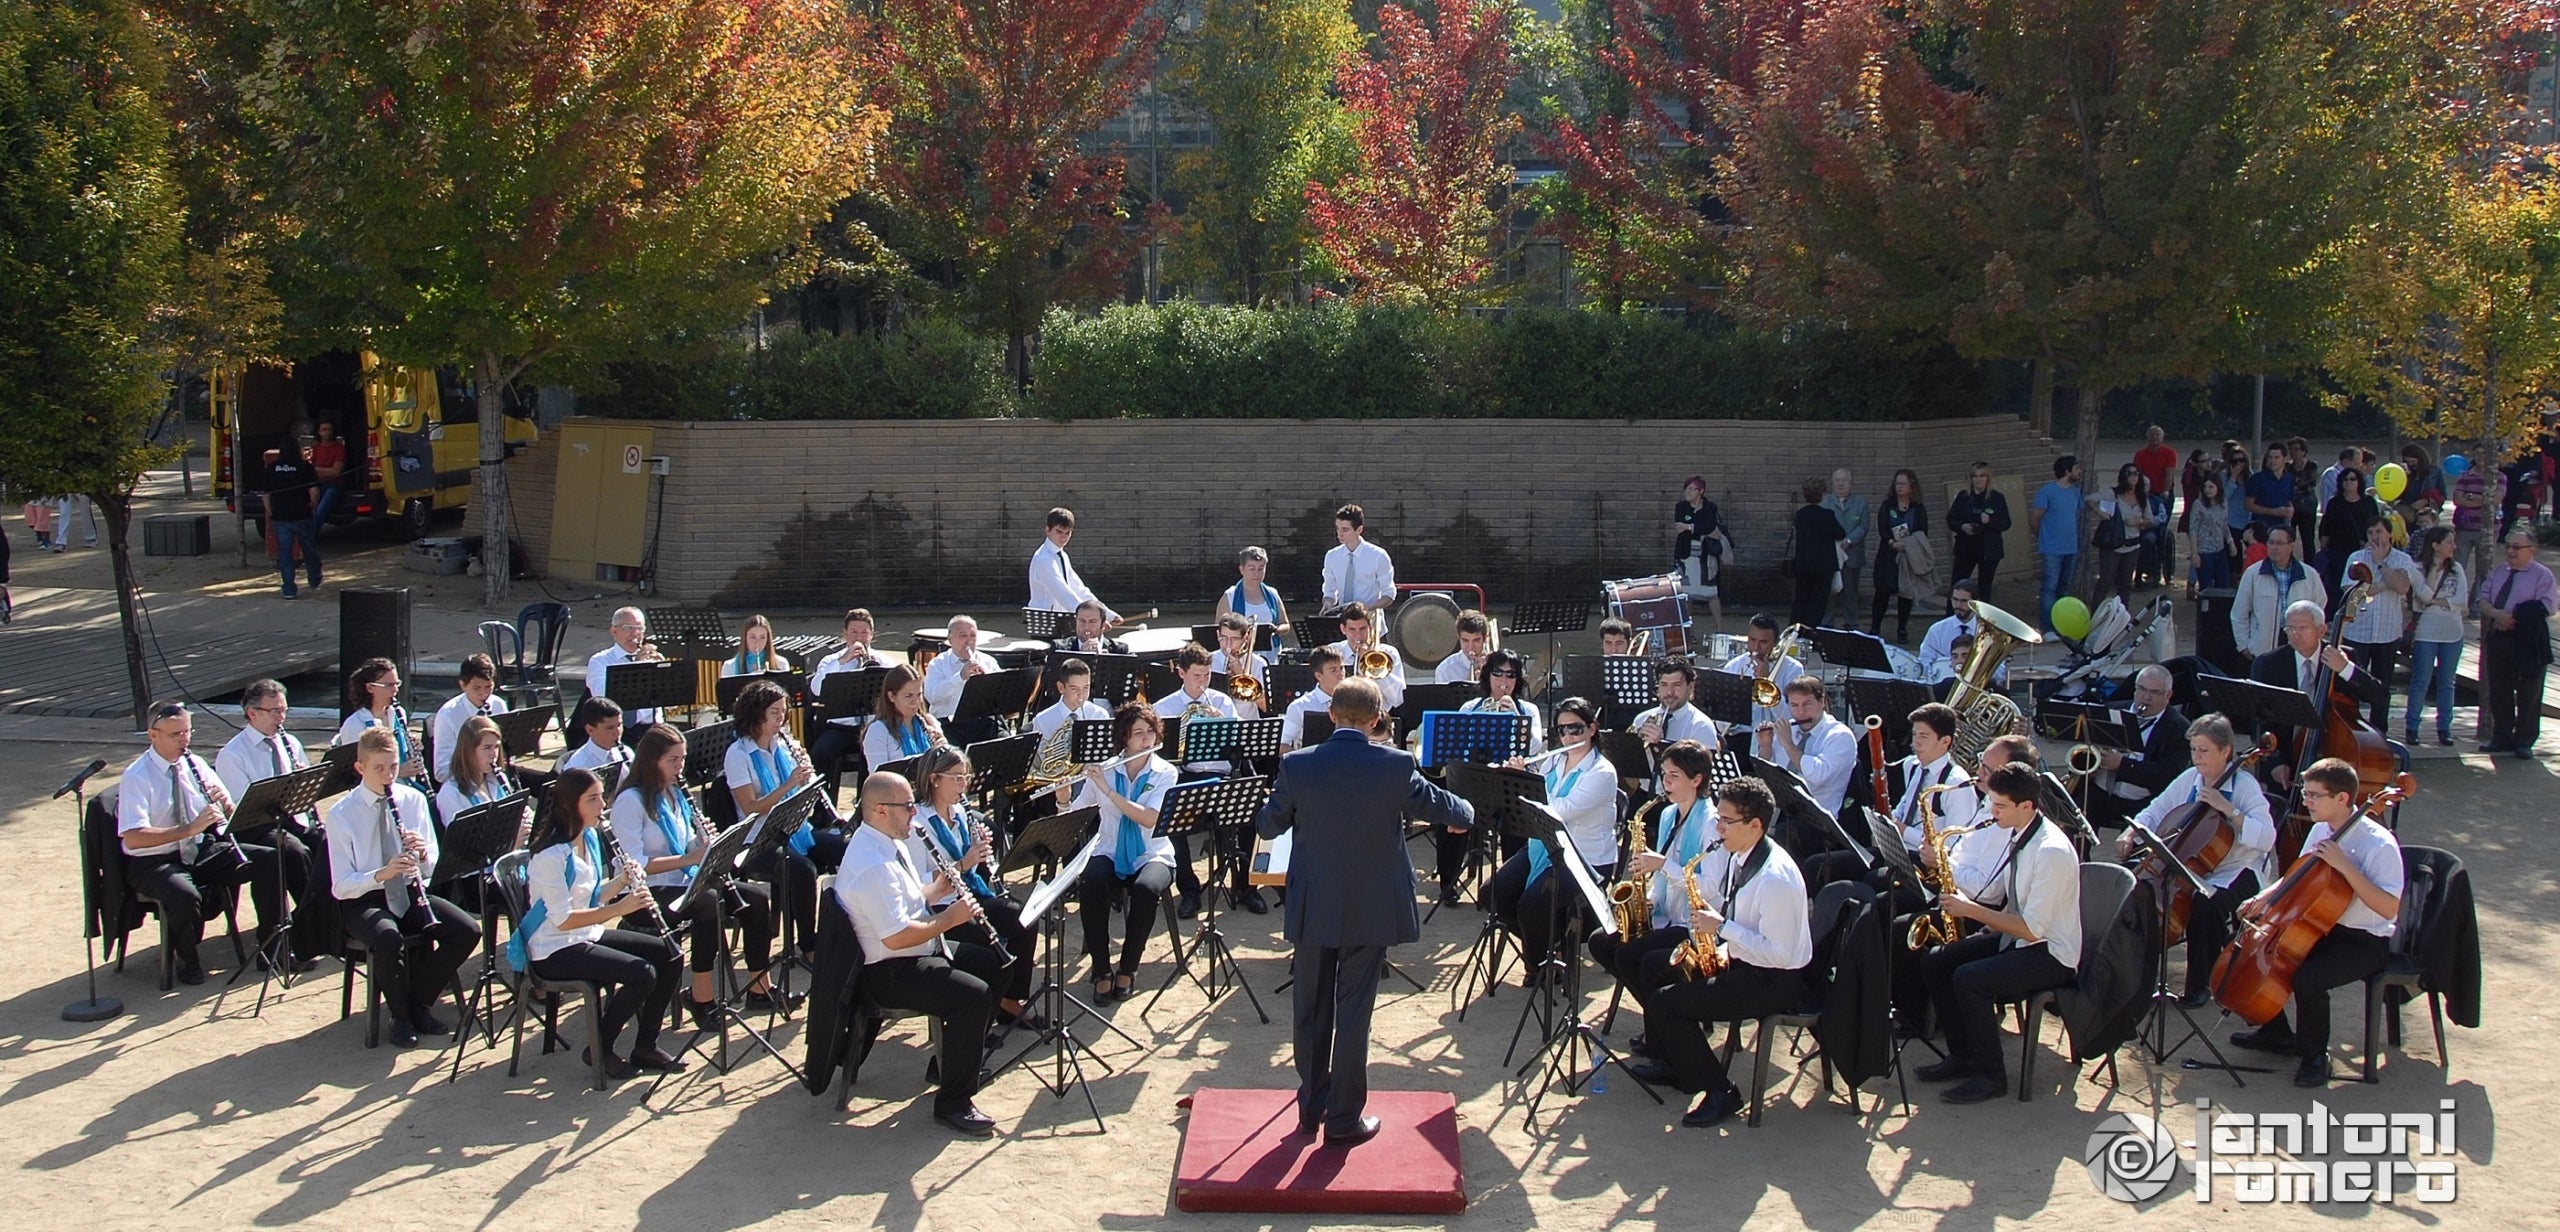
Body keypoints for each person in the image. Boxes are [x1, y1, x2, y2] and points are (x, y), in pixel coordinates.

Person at [1255, 677, 1473, 1146]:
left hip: (1315, 902)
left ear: (1331, 715)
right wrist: (1467, 813)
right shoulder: (1395, 765)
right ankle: (1344, 1119)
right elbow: (1443, 808)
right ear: (1377, 719)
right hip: (1371, 904)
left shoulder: (1298, 765)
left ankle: (1310, 1110)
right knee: (1354, 1011)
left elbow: (1269, 823)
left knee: (1310, 1008)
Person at [1624, 775, 1813, 1128]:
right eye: (1718, 818)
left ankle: (1720, 1090)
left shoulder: (1775, 879)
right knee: (1652, 964)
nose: (1718, 827)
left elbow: (1783, 955)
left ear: (1755, 825)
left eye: (1726, 821)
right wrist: (1722, 946)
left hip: (1772, 980)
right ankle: (1673, 1062)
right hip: (1742, 960)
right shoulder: (1742, 853)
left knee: (1668, 1002)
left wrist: (1722, 930)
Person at [2225, 758, 2406, 1087]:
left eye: (2314, 795)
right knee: (2255, 946)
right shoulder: (2320, 828)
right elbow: (2297, 875)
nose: (2306, 801)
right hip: (2323, 926)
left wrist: (2347, 866)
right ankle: (2276, 1032)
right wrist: (2263, 898)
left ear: (2342, 799)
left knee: (2309, 978)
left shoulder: (2379, 845)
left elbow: (2389, 908)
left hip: (2364, 940)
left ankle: (2314, 1057)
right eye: (2305, 793)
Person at [1916, 761, 2082, 1103]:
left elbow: (2034, 930)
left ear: (2027, 806)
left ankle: (1991, 1076)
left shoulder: (2050, 851)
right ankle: (1962, 1057)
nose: (1992, 812)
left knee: (1970, 979)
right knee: (1937, 960)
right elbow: (2015, 908)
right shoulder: (2021, 832)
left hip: (2052, 953)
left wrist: (1970, 911)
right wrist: (1983, 925)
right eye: (1991, 802)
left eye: (2000, 806)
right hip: (2021, 939)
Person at [613, 724, 790, 1027]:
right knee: (706, 903)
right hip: (644, 893)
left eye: (681, 760)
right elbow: (635, 863)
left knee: (757, 900)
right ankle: (701, 996)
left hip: (683, 880)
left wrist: (705, 844)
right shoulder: (631, 800)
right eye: (672, 760)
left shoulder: (675, 795)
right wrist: (690, 857)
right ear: (651, 760)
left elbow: (686, 845)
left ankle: (760, 989)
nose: (679, 767)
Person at [524, 768, 688, 1079]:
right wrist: (621, 907)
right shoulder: (550, 856)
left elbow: (591, 895)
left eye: (601, 797)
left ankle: (646, 1046)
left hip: (585, 934)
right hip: (554, 949)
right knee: (642, 974)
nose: (602, 805)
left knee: (671, 956)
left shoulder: (588, 838)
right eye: (593, 799)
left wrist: (622, 881)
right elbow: (563, 920)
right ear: (570, 805)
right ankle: (600, 1047)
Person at [118, 702, 295, 985]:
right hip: (155, 860)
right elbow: (133, 837)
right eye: (175, 734)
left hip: (200, 849)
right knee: (184, 895)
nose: (184, 740)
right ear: (153, 735)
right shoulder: (137, 776)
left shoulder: (195, 764)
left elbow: (228, 815)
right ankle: (187, 960)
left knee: (270, 859)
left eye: (187, 732)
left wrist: (225, 805)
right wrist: (189, 828)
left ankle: (271, 947)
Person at [327, 727, 478, 1047]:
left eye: (393, 767)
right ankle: (401, 1018)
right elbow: (341, 886)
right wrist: (380, 874)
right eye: (378, 768)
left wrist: (422, 854)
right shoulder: (342, 813)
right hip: (364, 897)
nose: (388, 775)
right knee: (387, 937)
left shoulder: (413, 799)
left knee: (466, 930)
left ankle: (418, 1002)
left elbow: (433, 866)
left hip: (409, 889)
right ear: (360, 768)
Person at [2114, 715, 2273, 1004]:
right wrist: (2130, 832)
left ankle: (2199, 986)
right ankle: (2133, 977)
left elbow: (2266, 838)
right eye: (2194, 750)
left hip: (2237, 870)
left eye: (2204, 751)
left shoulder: (2244, 786)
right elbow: (2156, 809)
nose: (2197, 758)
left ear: (2226, 751)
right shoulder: (2190, 778)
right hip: (2191, 865)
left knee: (2205, 904)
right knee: (2135, 887)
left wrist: (2229, 810)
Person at [905, 746, 1039, 1026]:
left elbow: (974, 871)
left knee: (1024, 920)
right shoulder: (916, 825)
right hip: (941, 909)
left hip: (971, 895)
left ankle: (1010, 1001)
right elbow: (919, 886)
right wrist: (964, 863)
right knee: (986, 948)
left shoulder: (961, 813)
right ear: (933, 779)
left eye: (965, 777)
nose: (963, 784)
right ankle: (976, 1021)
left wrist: (979, 850)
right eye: (956, 778)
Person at [1584, 740, 1723, 1000]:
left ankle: (1661, 1015)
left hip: (1692, 925)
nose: (1666, 782)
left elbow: (1709, 888)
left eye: (1674, 776)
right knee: (1599, 941)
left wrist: (1662, 865)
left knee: (1629, 955)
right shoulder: (1669, 814)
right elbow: (1662, 881)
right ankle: (1656, 1008)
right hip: (1663, 916)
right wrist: (1645, 901)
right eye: (1664, 774)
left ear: (1696, 780)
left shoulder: (1710, 823)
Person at [1488, 697, 1618, 971]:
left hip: (1584, 859)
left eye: (1576, 729)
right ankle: (1552, 946)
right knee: (1494, 893)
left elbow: (1559, 811)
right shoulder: (1554, 762)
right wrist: (1516, 778)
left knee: (1531, 905)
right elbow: (1536, 799)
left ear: (1592, 729)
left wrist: (1522, 783)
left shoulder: (1602, 772)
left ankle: (1541, 968)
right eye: (1562, 730)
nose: (1568, 737)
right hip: (1545, 847)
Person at [1068, 704, 1180, 1005]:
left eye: (1150, 732)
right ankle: (1102, 969)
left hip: (1151, 852)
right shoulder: (1106, 768)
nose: (1146, 739)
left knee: (1145, 890)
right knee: (1091, 883)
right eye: (1138, 734)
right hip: (1110, 848)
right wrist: (1063, 799)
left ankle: (1128, 968)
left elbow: (1149, 818)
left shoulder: (1165, 772)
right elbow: (1077, 813)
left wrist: (1108, 791)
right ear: (1124, 739)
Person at [213, 678, 325, 964]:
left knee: (327, 843)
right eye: (274, 711)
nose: (281, 717)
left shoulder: (290, 742)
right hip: (254, 828)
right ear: (252, 713)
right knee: (291, 852)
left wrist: (304, 783)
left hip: (291, 818)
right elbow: (242, 810)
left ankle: (322, 923)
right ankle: (277, 938)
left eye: (284, 710)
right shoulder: (233, 754)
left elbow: (306, 791)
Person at [1154, 643, 1254, 916]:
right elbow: (1159, 757)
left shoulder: (1221, 701)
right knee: (1171, 817)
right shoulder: (1164, 707)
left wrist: (1224, 725)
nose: (1203, 682)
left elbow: (1240, 747)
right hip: (1187, 775)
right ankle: (1188, 889)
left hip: (1221, 776)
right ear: (1182, 673)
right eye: (1197, 676)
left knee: (1251, 814)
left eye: (1207, 676)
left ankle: (1245, 887)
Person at [2248, 601, 2389, 790]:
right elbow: (2259, 721)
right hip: (2284, 757)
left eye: (2302, 628)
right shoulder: (2267, 664)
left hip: (2334, 753)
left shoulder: (2343, 657)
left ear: (2321, 630)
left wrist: (2345, 669)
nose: (2295, 634)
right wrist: (2275, 762)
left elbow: (2379, 697)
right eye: (2290, 628)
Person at [1438, 648, 1541, 898]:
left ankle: (1510, 886)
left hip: (1511, 781)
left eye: (1510, 675)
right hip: (1475, 780)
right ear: (1488, 676)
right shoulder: (1471, 706)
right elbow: (1456, 745)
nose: (1503, 681)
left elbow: (1535, 746)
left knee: (1517, 818)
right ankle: (1448, 883)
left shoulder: (1528, 709)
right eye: (1498, 674)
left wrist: (1515, 718)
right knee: (1449, 811)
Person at [2475, 527, 2557, 757]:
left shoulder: (2542, 575)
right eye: (2508, 546)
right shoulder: (2500, 572)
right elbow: (2483, 599)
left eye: (2516, 547)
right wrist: (2497, 614)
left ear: (2532, 550)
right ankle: (2501, 736)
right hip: (2499, 637)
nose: (2510, 551)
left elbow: (2548, 606)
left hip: (2528, 641)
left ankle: (2524, 741)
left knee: (2529, 692)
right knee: (2499, 689)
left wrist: (2515, 617)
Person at [2083, 665, 2190, 832]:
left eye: (2155, 693)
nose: (2146, 698)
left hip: (2142, 801)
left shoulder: (2179, 728)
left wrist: (2122, 765)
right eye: (2142, 689)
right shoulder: (2112, 710)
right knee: (2073, 815)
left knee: (2135, 844)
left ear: (2168, 696)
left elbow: (2168, 775)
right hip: (2102, 792)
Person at [806, 608, 899, 796]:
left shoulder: (886, 662)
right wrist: (843, 661)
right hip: (839, 728)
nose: (859, 637)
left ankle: (867, 807)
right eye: (854, 632)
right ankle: (822, 812)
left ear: (872, 635)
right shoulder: (830, 660)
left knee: (882, 755)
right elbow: (816, 688)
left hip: (874, 726)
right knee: (820, 753)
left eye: (864, 632)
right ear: (845, 634)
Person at [2339, 519, 2420, 729]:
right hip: (2358, 631)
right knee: (2352, 681)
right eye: (2371, 531)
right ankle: (2351, 727)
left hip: (2387, 633)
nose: (2375, 536)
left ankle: (2379, 730)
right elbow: (2353, 592)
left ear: (2389, 534)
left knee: (2382, 684)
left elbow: (2402, 587)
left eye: (2380, 531)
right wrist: (2386, 584)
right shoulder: (2356, 558)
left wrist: (2381, 564)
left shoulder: (2402, 559)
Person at [1756, 676, 1859, 819]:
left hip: (1819, 819)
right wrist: (1765, 746)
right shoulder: (1788, 729)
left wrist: (1788, 744)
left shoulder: (1840, 736)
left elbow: (1818, 776)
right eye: (1794, 705)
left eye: (1807, 704)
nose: (1800, 712)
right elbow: (1766, 776)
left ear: (1822, 702)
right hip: (1783, 811)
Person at [2405, 526, 2469, 748]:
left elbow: (2461, 600)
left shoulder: (2457, 569)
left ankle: (2444, 728)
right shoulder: (2416, 568)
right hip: (2426, 632)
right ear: (2435, 545)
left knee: (2447, 681)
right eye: (2449, 542)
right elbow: (2424, 595)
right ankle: (2412, 726)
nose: (2454, 546)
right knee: (2421, 680)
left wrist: (2437, 603)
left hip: (2452, 632)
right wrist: (2433, 570)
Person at [2230, 525, 2326, 660]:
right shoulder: (2253, 573)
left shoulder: (2309, 574)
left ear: (2291, 546)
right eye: (2271, 542)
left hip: (2299, 647)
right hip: (2262, 649)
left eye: (2280, 543)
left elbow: (2319, 608)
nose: (2274, 547)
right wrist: (2244, 645)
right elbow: (2239, 613)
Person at [334, 658, 427, 788]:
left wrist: (412, 746)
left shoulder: (397, 713)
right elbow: (355, 773)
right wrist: (398, 772)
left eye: (397, 684)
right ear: (370, 688)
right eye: (389, 685)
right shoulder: (355, 725)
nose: (395, 690)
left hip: (405, 788)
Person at [1628, 659, 1722, 780]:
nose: (1669, 692)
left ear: (1690, 687)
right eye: (1664, 684)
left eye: (1677, 685)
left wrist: (1661, 746)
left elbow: (1701, 776)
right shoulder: (1641, 719)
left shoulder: (1701, 725)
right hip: (1643, 791)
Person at [430, 654, 510, 787]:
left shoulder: (498, 705)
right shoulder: (448, 715)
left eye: (488, 687)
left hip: (495, 781)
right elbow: (442, 771)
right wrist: (478, 767)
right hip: (466, 787)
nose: (484, 694)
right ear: (463, 685)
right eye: (477, 688)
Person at [1871, 468, 1930, 643]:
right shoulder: (1887, 505)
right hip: (1888, 554)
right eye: (1897, 483)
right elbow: (1882, 527)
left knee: (1906, 592)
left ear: (1912, 485)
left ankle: (1902, 628)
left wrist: (1910, 544)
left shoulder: (1918, 508)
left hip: (1908, 554)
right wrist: (1891, 542)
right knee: (1882, 591)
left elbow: (1922, 530)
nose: (1899, 487)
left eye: (1903, 483)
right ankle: (1875, 626)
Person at [1915, 579, 2008, 688]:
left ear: (1975, 603)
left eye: (1964, 601)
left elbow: (2000, 672)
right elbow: (1924, 661)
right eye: (1955, 600)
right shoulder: (1937, 630)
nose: (1958, 605)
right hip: (1942, 688)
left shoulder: (1990, 632)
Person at [1721, 613, 1804, 736]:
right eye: (1752, 640)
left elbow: (1791, 716)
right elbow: (1721, 721)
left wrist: (1767, 681)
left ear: (1775, 643)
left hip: (1778, 737)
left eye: (1763, 642)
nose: (1756, 647)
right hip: (1741, 736)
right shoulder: (1733, 666)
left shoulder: (1793, 669)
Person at [262, 436, 323, 599]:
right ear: (298, 450)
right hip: (302, 514)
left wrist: (271, 512)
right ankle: (314, 576)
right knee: (308, 547)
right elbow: (314, 491)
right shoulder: (305, 467)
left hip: (281, 517)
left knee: (285, 552)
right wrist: (313, 507)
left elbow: (266, 494)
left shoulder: (272, 468)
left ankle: (288, 588)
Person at [1029, 506, 1117, 620]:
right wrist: (1093, 618)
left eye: (1067, 533)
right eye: (1059, 532)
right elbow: (1064, 595)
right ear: (1047, 530)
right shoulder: (1044, 559)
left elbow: (1079, 589)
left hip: (1061, 620)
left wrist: (1107, 614)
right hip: (1046, 623)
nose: (1063, 537)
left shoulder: (1062, 556)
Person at [922, 615, 1000, 742]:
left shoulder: (988, 661)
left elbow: (1001, 696)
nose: (969, 641)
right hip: (950, 724)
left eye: (972, 636)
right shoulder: (938, 664)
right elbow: (931, 696)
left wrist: (987, 683)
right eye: (963, 636)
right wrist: (960, 677)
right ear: (950, 639)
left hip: (984, 723)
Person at [586, 607, 664, 731]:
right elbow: (604, 699)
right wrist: (638, 668)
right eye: (629, 628)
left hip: (654, 728)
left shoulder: (650, 659)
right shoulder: (599, 661)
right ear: (614, 631)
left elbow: (671, 705)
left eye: (640, 628)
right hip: (619, 730)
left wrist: (664, 672)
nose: (635, 633)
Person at [2029, 454, 2084, 632]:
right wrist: (2043, 538)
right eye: (2076, 468)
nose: (2079, 472)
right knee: (2049, 587)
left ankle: (2062, 624)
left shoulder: (2076, 492)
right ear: (2067, 471)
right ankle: (2047, 627)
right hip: (2052, 548)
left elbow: (2073, 515)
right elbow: (2036, 519)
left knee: (2064, 587)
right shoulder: (2047, 491)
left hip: (2071, 547)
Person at [1947, 460, 2011, 601]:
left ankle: (1982, 620)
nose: (1978, 480)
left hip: (1988, 549)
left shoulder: (1996, 498)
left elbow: (2006, 523)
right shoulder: (1964, 497)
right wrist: (1962, 527)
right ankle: (1952, 619)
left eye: (1982, 476)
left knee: (1985, 587)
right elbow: (1951, 519)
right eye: (1975, 476)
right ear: (1970, 478)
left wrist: (1989, 521)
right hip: (1966, 548)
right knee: (1958, 585)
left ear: (1988, 478)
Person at [1671, 475, 1730, 630]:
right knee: (1686, 594)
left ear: (1701, 491)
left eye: (1692, 489)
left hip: (1705, 557)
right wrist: (1699, 529)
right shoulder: (1681, 507)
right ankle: (1687, 630)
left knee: (1712, 593)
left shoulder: (1710, 507)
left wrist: (1690, 527)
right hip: (1685, 556)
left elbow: (1710, 527)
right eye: (1686, 488)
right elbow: (1680, 528)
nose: (1688, 492)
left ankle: (1719, 628)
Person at [1789, 477, 1847, 631]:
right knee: (1817, 602)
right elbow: (1840, 533)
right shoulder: (1827, 515)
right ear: (1822, 494)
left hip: (1803, 564)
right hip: (1823, 566)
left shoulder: (1800, 514)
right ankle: (1810, 633)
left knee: (1801, 600)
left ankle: (1793, 632)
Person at [1326, 601, 1405, 711]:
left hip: (1379, 717)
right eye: (1352, 629)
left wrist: (1376, 667)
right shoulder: (1334, 651)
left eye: (1362, 629)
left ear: (1371, 628)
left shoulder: (1389, 653)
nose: (1358, 635)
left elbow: (1399, 698)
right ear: (1343, 629)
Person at [2317, 467, 2381, 598]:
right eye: (2345, 479)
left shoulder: (2368, 502)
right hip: (2339, 551)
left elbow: (2376, 524)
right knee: (2337, 586)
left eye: (2352, 479)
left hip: (2364, 549)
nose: (2348, 482)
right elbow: (2326, 528)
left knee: (2364, 584)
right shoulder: (2335, 503)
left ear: (2359, 482)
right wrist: (2324, 549)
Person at [1321, 503, 1396, 613]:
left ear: (1359, 530)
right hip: (1344, 624)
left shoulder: (1378, 556)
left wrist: (1367, 609)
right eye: (1338, 529)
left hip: (1371, 624)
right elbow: (1329, 591)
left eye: (1345, 530)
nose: (1339, 534)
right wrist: (1328, 603)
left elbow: (1389, 594)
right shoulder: (1332, 556)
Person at [2092, 465, 2149, 607]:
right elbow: (2090, 499)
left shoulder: (2142, 497)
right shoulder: (2113, 494)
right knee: (2105, 581)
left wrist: (2138, 522)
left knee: (2125, 584)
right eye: (2129, 473)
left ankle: (2122, 617)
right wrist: (2099, 512)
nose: (2133, 476)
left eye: (2136, 473)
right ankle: (2095, 616)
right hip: (2113, 545)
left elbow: (2151, 520)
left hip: (2133, 545)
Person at [1823, 468, 1870, 629]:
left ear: (1851, 483)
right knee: (1829, 592)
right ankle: (1827, 624)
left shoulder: (1861, 503)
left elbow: (1863, 526)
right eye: (1837, 480)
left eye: (1844, 480)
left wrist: (1849, 540)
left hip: (1852, 554)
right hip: (1831, 554)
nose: (1841, 484)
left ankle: (1851, 624)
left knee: (1851, 593)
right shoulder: (1825, 502)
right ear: (1832, 482)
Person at [1214, 545, 1292, 643]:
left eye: (1261, 568)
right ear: (1242, 570)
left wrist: (1276, 630)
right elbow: (1218, 630)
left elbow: (1285, 624)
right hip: (1241, 653)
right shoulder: (1230, 596)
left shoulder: (1273, 593)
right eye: (1252, 569)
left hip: (1271, 653)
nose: (1257, 573)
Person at [1280, 647, 1347, 750]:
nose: (1340, 674)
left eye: (1341, 668)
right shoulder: (1299, 706)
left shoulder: (1354, 700)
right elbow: (1282, 745)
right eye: (1333, 670)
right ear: (1318, 676)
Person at [1032, 657, 1111, 739]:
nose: (1081, 695)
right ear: (1061, 687)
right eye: (1074, 689)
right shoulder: (1042, 721)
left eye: (1086, 688)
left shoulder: (1099, 715)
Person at [1208, 612, 1270, 715]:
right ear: (1218, 634)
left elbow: (1266, 707)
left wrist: (1241, 676)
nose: (1228, 644)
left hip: (1246, 724)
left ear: (1245, 639)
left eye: (1234, 639)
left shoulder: (1258, 663)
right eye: (1223, 638)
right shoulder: (1208, 660)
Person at [559, 696, 632, 777]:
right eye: (610, 728)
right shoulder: (579, 766)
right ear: (590, 730)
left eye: (619, 725)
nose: (617, 732)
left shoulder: (626, 752)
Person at [2189, 473, 2235, 590]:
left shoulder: (2223, 503)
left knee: (2223, 584)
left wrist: (2230, 542)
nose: (2208, 490)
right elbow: (2193, 529)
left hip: (2219, 549)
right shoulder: (2198, 505)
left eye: (2211, 487)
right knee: (2206, 586)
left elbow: (2224, 524)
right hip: (2204, 551)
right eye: (2205, 487)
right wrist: (2195, 553)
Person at [2243, 443, 2295, 534]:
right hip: (2261, 528)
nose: (2272, 461)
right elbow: (2248, 505)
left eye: (2276, 457)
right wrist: (2273, 512)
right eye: (2270, 457)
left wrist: (2291, 510)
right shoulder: (2257, 479)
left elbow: (2289, 500)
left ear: (2284, 459)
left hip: (2282, 527)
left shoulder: (2289, 478)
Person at [1049, 599, 1129, 657]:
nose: (1086, 627)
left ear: (1103, 625)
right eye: (1082, 621)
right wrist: (1081, 658)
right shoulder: (1059, 648)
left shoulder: (1119, 650)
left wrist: (1108, 663)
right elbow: (1049, 679)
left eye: (1093, 621)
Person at [720, 614, 792, 677]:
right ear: (745, 638)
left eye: (762, 637)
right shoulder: (729, 666)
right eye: (752, 637)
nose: (757, 643)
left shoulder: (781, 664)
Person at [1433, 609, 1494, 684]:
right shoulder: (1445, 669)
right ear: (1458, 638)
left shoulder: (1497, 665)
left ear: (1485, 638)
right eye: (1465, 640)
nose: (1471, 647)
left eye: (1476, 640)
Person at [308, 420, 348, 523]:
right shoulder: (315, 448)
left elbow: (336, 472)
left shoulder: (339, 448)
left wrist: (317, 469)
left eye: (330, 429)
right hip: (316, 485)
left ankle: (310, 537)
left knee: (320, 512)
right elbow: (309, 471)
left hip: (334, 485)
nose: (328, 432)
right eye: (324, 430)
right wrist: (325, 471)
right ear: (319, 432)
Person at [2131, 425, 2179, 502]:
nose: (2155, 437)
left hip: (2164, 492)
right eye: (2152, 435)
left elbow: (2169, 474)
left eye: (2158, 435)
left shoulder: (2170, 453)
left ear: (2162, 437)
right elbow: (2138, 474)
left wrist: (2166, 491)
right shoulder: (2140, 454)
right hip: (2146, 491)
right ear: (2147, 437)